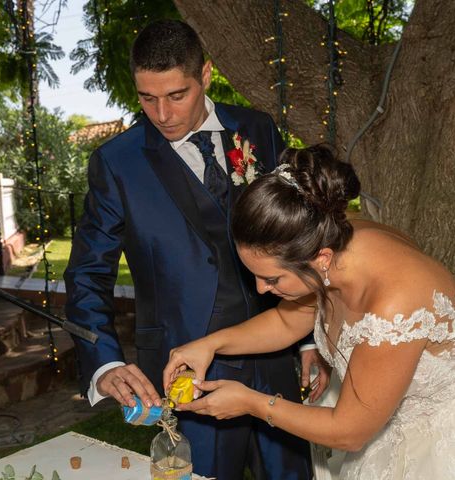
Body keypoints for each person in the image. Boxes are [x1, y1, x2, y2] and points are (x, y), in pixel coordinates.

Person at [164, 144, 455, 479]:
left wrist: (251, 403)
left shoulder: (394, 304)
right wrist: (209, 343)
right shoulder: (330, 237)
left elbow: (350, 431)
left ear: (319, 258)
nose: (262, 290)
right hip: (379, 416)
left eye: (273, 280)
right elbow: (287, 319)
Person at [64, 19, 320, 480]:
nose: (161, 114)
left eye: (176, 95)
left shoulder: (258, 129)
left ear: (204, 75)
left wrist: (307, 336)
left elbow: (294, 239)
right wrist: (106, 362)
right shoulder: (116, 162)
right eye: (147, 98)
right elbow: (86, 274)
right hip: (183, 373)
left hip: (278, 359)